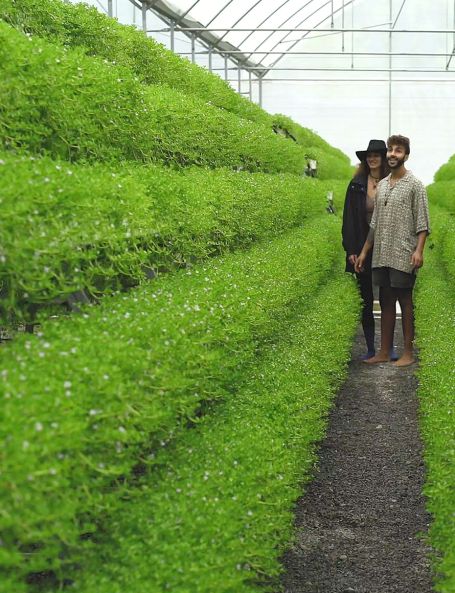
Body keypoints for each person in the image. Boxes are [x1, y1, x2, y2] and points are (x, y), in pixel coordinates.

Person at [355, 134, 430, 367]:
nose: (392, 154)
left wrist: (419, 251)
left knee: (405, 300)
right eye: (390, 149)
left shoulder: (415, 185)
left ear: (406, 155)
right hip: (382, 253)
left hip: (403, 252)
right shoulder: (384, 184)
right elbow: (375, 223)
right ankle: (384, 351)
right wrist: (365, 252)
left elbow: (423, 222)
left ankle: (408, 352)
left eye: (398, 150)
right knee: (386, 299)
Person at [342, 139, 391, 359]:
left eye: (376, 155)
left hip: (387, 246)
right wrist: (351, 249)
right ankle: (371, 347)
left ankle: (387, 347)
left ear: (383, 159)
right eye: (369, 156)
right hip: (363, 246)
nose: (372, 159)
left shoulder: (392, 182)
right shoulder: (356, 184)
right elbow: (349, 219)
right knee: (366, 297)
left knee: (389, 296)